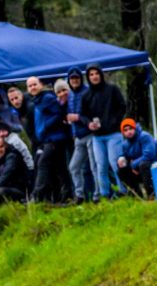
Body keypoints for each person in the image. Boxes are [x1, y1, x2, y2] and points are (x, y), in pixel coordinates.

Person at [82, 64, 128, 199]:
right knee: (100, 165)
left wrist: (114, 121)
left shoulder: (112, 89)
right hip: (97, 136)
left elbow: (122, 106)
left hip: (113, 134)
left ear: (101, 75)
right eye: (91, 74)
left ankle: (123, 190)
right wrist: (89, 124)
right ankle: (105, 194)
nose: (94, 76)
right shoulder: (86, 95)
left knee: (115, 163)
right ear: (88, 77)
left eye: (96, 73)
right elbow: (83, 115)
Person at [27, 76, 72, 203]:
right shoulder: (37, 101)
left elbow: (58, 114)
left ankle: (37, 195)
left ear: (40, 84)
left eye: (34, 84)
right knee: (61, 168)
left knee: (43, 163)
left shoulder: (47, 98)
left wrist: (46, 127)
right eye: (30, 86)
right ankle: (66, 196)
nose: (32, 87)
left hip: (54, 139)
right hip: (46, 139)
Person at [65, 68, 97, 204]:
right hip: (78, 137)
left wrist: (77, 118)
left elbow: (92, 113)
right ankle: (80, 195)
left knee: (94, 166)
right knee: (73, 167)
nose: (75, 80)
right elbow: (70, 115)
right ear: (69, 80)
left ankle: (98, 195)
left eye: (77, 78)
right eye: (72, 78)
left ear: (81, 78)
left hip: (90, 134)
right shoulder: (70, 95)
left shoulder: (88, 92)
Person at [115, 118, 157, 198]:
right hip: (140, 167)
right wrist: (121, 160)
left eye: (130, 129)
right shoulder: (125, 144)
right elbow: (124, 157)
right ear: (123, 133)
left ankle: (151, 194)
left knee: (144, 164)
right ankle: (137, 195)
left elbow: (149, 155)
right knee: (121, 170)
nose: (128, 132)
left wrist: (132, 165)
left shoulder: (144, 136)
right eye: (125, 130)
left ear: (135, 128)